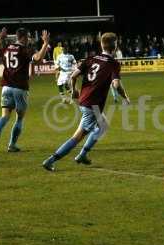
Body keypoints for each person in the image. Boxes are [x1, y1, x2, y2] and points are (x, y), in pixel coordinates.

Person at [42, 32, 130, 172]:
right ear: (115, 46)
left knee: (103, 126)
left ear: (101, 44)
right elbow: (116, 85)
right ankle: (50, 160)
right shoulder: (113, 64)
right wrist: (125, 97)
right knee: (77, 137)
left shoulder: (91, 58)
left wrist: (74, 91)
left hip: (85, 101)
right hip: (92, 105)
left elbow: (73, 76)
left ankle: (82, 155)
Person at [0, 27, 50, 152]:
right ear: (23, 37)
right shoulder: (25, 50)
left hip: (6, 86)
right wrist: (45, 44)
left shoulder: (7, 48)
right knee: (19, 118)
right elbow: (38, 58)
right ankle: (12, 145)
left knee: (5, 116)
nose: (29, 39)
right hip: (20, 87)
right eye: (27, 36)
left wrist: (0, 38)